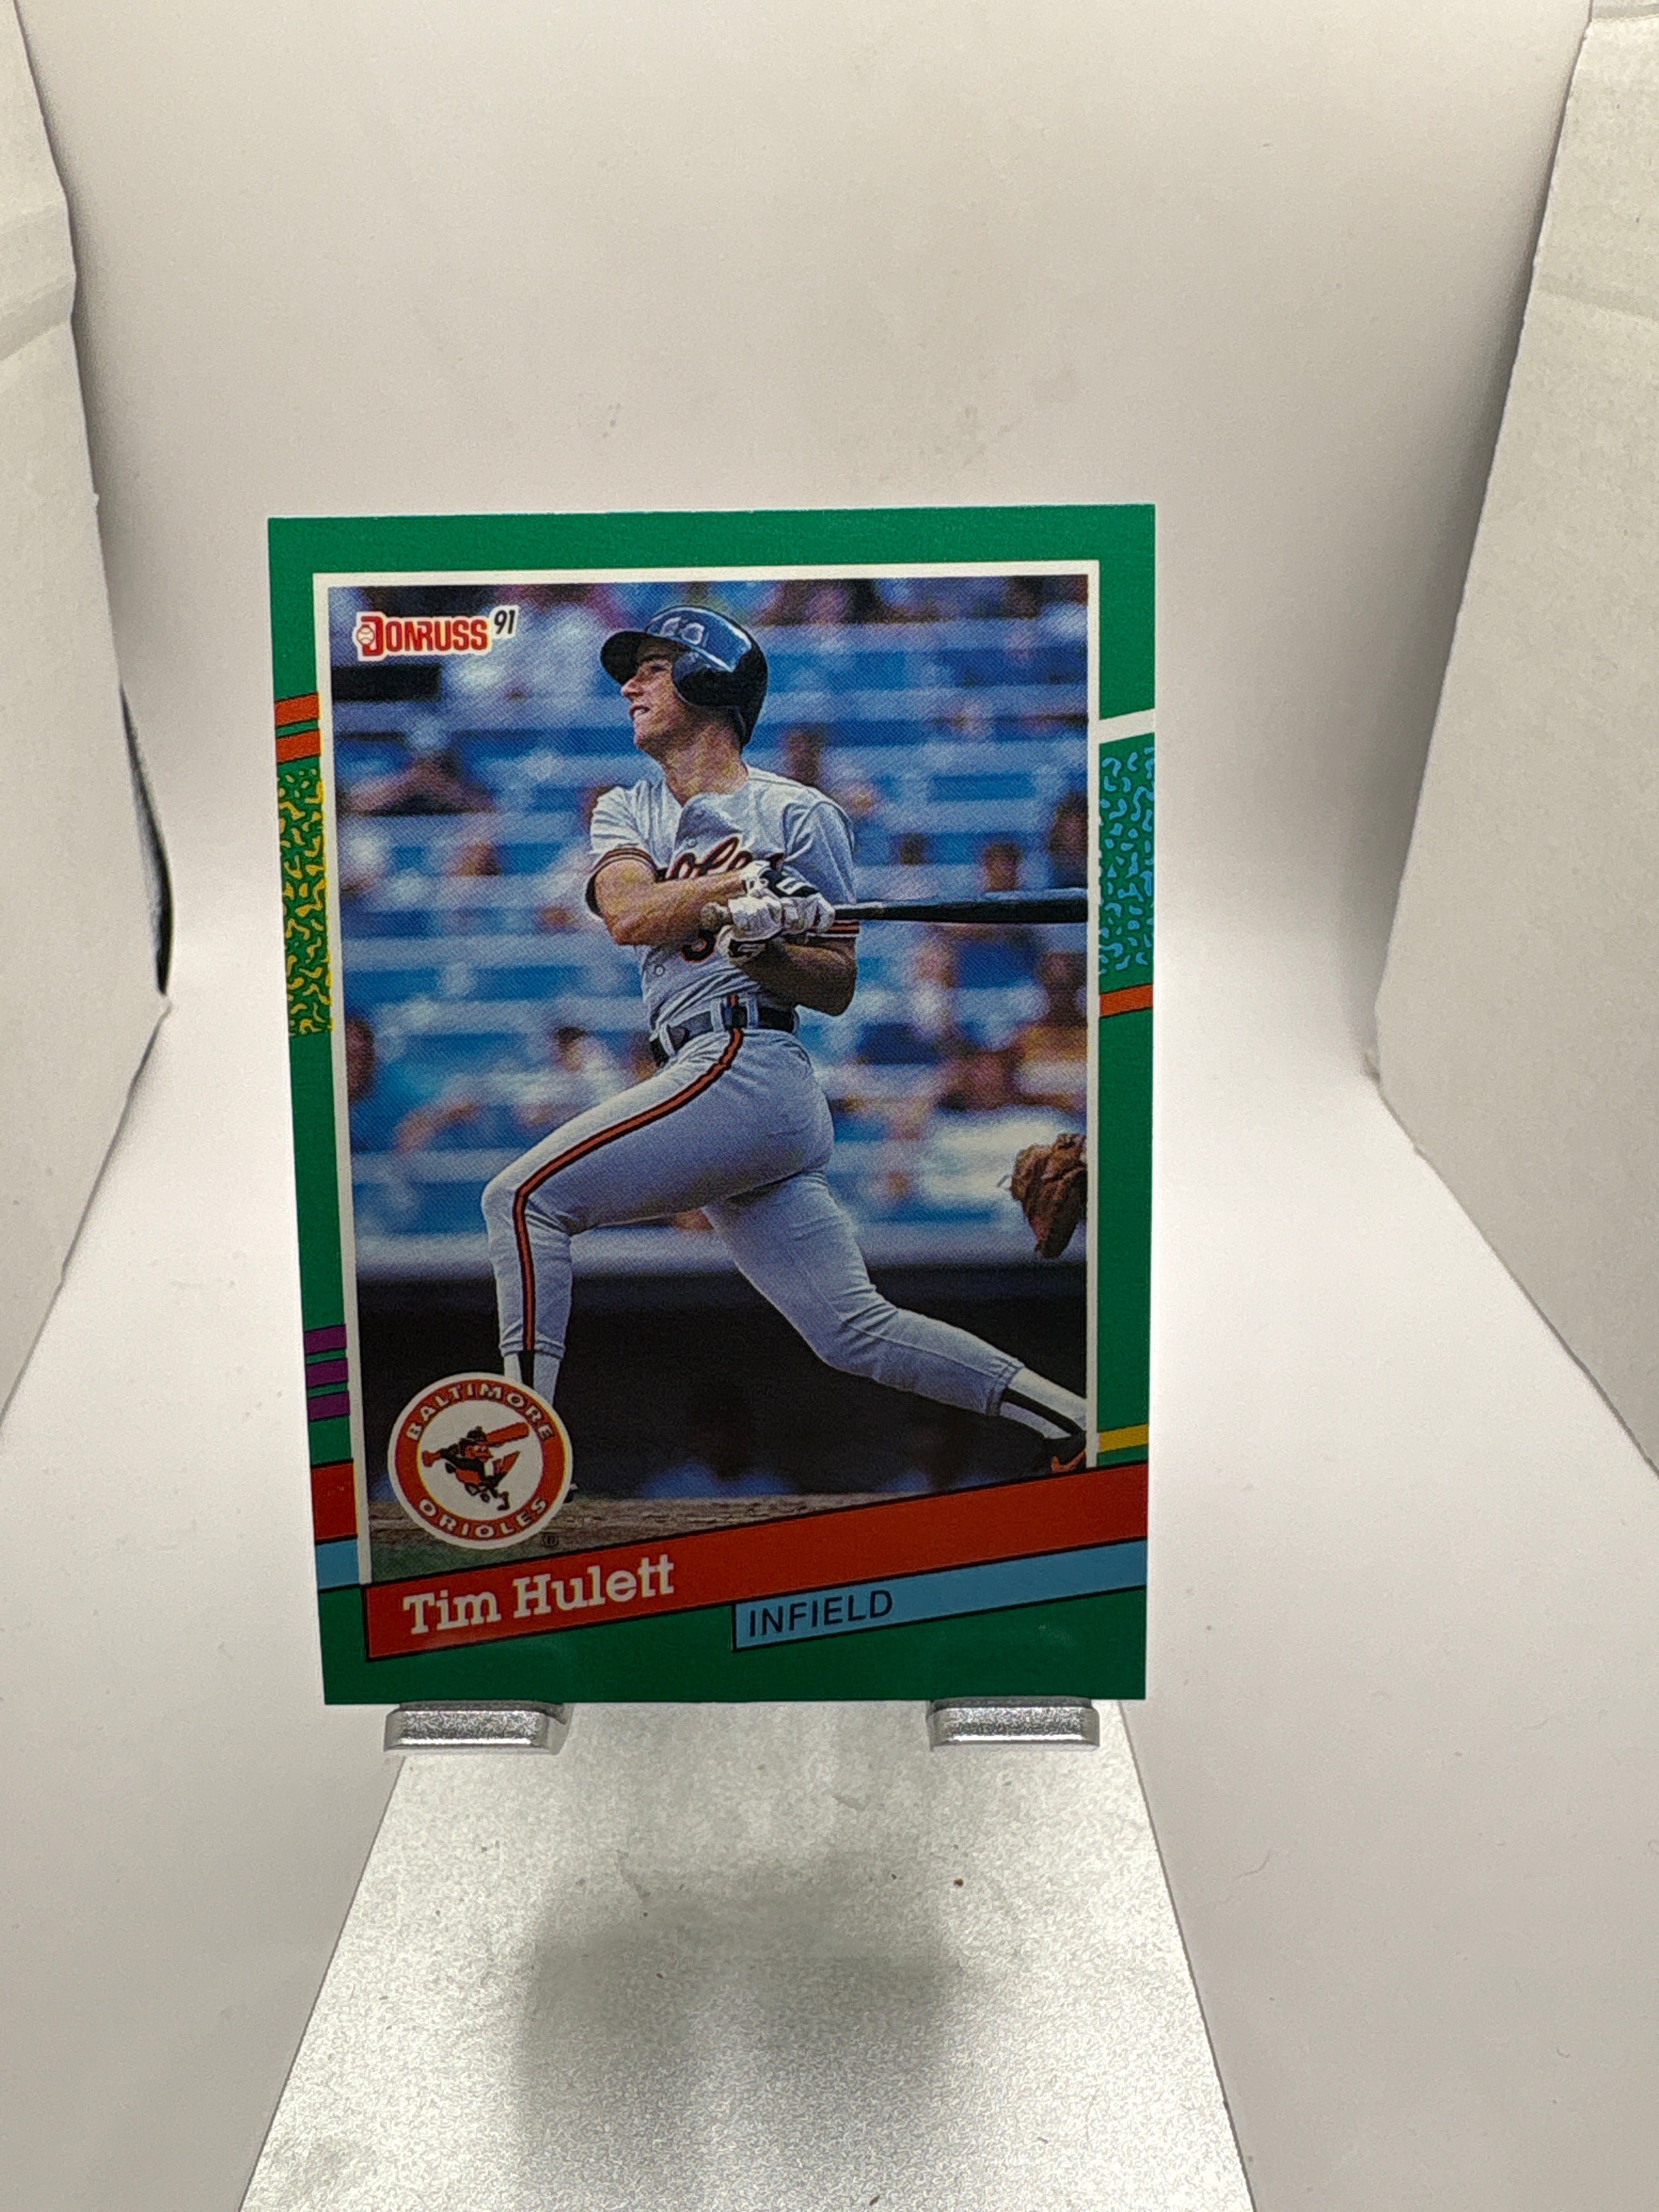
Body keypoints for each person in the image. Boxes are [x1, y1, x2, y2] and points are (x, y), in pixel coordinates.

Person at [481, 607, 1090, 1470]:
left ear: (710, 680)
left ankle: (519, 1458)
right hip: (707, 1076)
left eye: (653, 669)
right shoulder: (629, 807)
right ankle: (1075, 1419)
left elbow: (835, 984)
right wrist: (742, 890)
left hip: (747, 1063)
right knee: (852, 1329)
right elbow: (628, 913)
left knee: (521, 1201)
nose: (630, 687)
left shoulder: (801, 815)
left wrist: (764, 950)